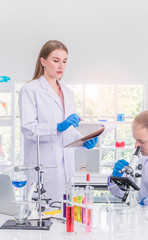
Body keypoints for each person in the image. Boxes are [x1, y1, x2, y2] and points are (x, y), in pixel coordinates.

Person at [19, 40, 98, 202]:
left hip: (65, 168)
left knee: (64, 215)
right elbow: (28, 129)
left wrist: (83, 141)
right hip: (43, 166)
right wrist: (58, 127)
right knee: (41, 216)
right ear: (43, 61)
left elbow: (69, 131)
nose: (61, 66)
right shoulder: (30, 90)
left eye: (64, 61)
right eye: (56, 61)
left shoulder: (67, 93)